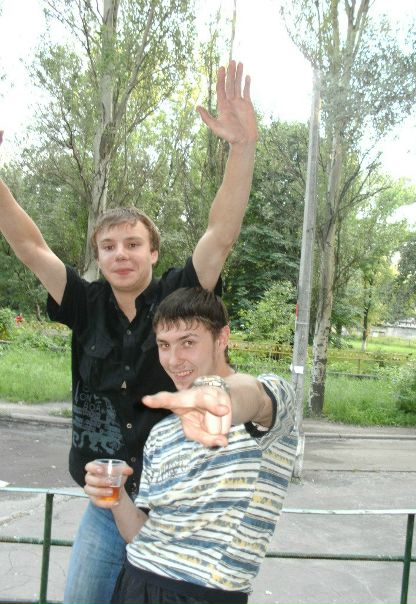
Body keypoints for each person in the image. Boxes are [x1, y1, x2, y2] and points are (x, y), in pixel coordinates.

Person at [0, 60, 258, 603]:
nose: (121, 254)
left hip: (175, 503)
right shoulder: (82, 301)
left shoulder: (179, 296)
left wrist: (241, 148)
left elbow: (221, 233)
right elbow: (28, 245)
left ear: (153, 252)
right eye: (109, 246)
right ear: (97, 255)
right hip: (105, 501)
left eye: (133, 244)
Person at [84, 286, 297, 604]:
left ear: (222, 338)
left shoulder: (269, 405)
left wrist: (218, 396)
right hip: (134, 582)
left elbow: (251, 394)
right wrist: (114, 496)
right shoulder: (162, 432)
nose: (173, 360)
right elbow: (142, 532)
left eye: (188, 342)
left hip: (202, 593)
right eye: (164, 345)